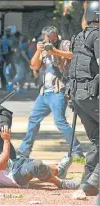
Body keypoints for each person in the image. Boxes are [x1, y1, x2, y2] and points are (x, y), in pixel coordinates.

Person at [17, 26, 85, 177]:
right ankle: (23, 151)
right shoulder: (42, 47)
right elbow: (34, 66)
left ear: (56, 36)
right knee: (33, 119)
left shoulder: (64, 43)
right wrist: (38, 50)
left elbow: (73, 55)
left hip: (58, 90)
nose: (50, 41)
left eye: (52, 38)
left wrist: (55, 51)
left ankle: (77, 151)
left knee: (60, 121)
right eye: (47, 38)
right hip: (44, 92)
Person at [67, 1, 99, 198]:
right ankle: (92, 183)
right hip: (91, 95)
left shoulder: (80, 36)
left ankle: (87, 184)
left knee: (97, 140)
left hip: (78, 97)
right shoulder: (98, 36)